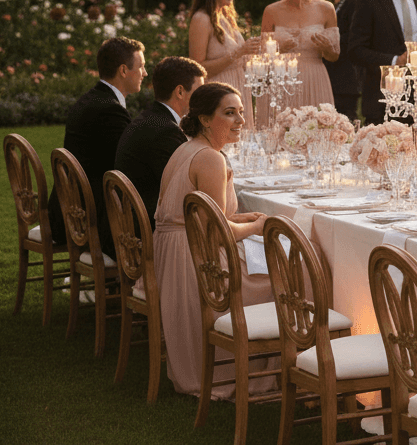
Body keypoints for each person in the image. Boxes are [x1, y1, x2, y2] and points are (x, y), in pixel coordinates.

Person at [153, 82, 271, 397]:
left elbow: (203, 217)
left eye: (241, 112)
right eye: (229, 113)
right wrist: (256, 227)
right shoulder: (210, 158)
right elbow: (217, 233)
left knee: (272, 256)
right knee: (288, 269)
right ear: (205, 119)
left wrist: (238, 219)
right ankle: (294, 367)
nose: (240, 120)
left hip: (179, 250)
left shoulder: (188, 147)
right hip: (197, 261)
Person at [48, 37, 146, 258]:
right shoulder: (110, 110)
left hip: (66, 208)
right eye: (141, 66)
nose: (145, 73)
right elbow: (127, 166)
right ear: (123, 70)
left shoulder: (91, 99)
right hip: (86, 217)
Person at [114, 56, 206, 227]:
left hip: (131, 221)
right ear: (180, 92)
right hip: (148, 229)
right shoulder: (165, 131)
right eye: (199, 92)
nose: (204, 100)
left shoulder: (151, 119)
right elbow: (188, 189)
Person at [260, 0, 339, 115]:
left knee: (316, 127)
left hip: (315, 79)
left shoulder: (326, 9)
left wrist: (327, 48)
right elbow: (261, 58)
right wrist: (278, 50)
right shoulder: (271, 11)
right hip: (281, 81)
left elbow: (334, 56)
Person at [187, 0, 260, 117]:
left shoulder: (225, 16)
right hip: (218, 99)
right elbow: (197, 68)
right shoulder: (201, 19)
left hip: (238, 92)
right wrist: (239, 52)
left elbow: (239, 59)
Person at [324, 0, 370, 119]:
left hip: (346, 78)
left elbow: (355, 38)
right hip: (337, 77)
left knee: (344, 125)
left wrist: (324, 42)